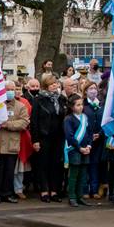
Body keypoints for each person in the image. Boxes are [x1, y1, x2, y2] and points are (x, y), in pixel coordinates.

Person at [0, 82, 27, 204]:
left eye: (13, 89)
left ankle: (8, 193)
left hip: (12, 144)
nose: (11, 92)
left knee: (9, 171)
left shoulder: (20, 106)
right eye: (8, 89)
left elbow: (24, 122)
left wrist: (8, 125)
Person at [30, 74, 65, 202]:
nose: (54, 86)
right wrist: (35, 140)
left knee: (56, 164)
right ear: (46, 86)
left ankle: (54, 191)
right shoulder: (39, 100)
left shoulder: (61, 99)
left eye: (55, 83)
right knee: (43, 165)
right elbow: (34, 121)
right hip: (44, 137)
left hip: (58, 137)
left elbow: (63, 117)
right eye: (52, 84)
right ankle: (44, 190)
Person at [64, 95, 95, 207]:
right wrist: (79, 148)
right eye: (78, 105)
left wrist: (89, 146)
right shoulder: (69, 119)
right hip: (74, 149)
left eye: (82, 104)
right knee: (74, 174)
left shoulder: (85, 118)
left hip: (85, 149)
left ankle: (80, 196)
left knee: (83, 175)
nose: (81, 107)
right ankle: (72, 197)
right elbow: (69, 136)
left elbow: (90, 133)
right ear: (72, 107)